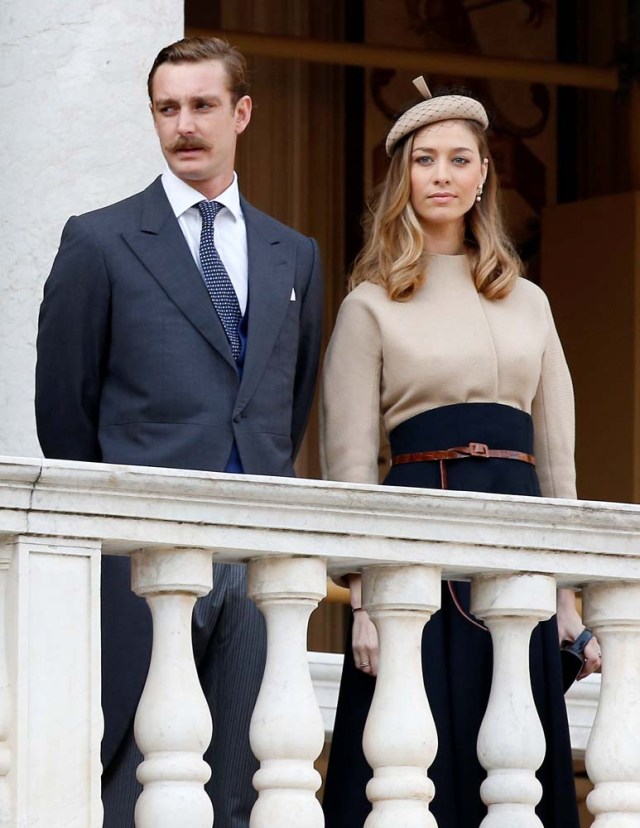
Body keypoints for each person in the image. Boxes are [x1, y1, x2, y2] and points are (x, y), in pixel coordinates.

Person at [35, 35, 323, 828]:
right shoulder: (99, 241)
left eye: (202, 106)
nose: (184, 125)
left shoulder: (293, 254)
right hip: (139, 559)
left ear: (242, 112)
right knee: (131, 776)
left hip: (256, 556)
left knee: (241, 784)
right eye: (168, 108)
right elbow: (64, 410)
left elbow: (284, 406)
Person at [320, 78, 600, 828]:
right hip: (418, 553)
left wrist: (569, 600)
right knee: (420, 770)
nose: (440, 175)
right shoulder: (370, 302)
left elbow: (559, 461)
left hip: (519, 550)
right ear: (402, 178)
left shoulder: (530, 301)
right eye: (424, 161)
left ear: (482, 176)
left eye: (457, 160)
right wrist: (367, 605)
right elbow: (348, 469)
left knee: (513, 771)